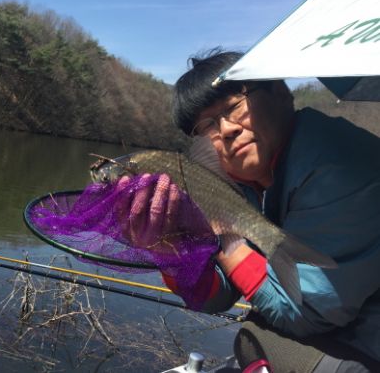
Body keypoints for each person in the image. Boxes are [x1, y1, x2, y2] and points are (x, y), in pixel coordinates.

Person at [123, 49, 380, 372]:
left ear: (282, 92)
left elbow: (304, 314)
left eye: (234, 107)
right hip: (341, 330)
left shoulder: (339, 163)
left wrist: (228, 241)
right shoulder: (239, 184)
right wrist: (169, 251)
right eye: (207, 126)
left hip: (361, 341)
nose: (228, 129)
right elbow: (217, 297)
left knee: (255, 337)